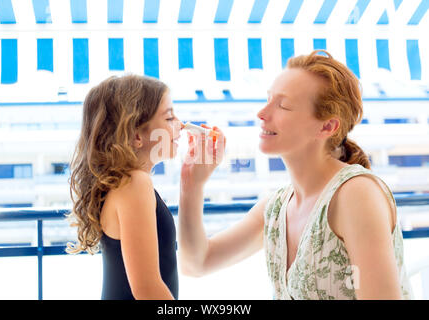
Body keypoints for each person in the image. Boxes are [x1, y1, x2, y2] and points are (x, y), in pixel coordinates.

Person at [178, 50, 412, 300]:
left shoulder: (356, 194)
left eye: (283, 105)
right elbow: (197, 263)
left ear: (327, 126)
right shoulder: (277, 207)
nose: (262, 113)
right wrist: (191, 184)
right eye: (268, 99)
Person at [67, 74, 183, 300]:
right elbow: (147, 289)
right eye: (169, 118)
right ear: (137, 135)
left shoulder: (125, 183)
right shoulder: (135, 184)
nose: (181, 123)